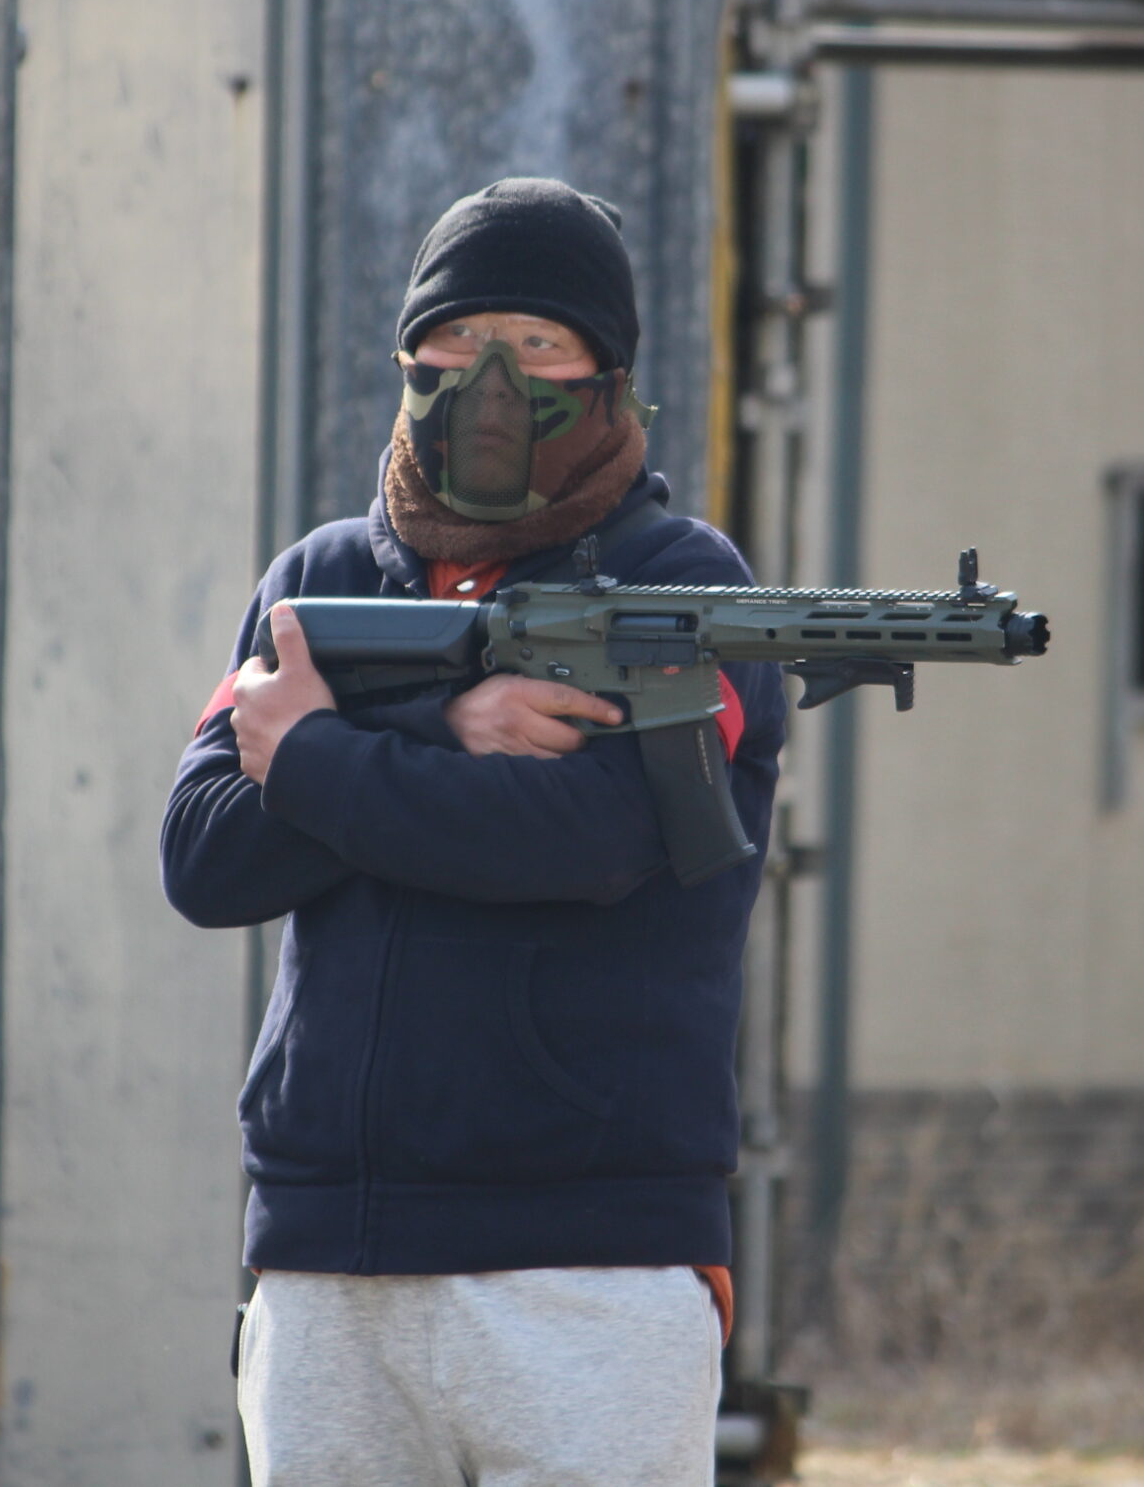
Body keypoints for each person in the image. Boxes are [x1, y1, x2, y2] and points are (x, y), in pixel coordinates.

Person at [162, 177, 786, 1485]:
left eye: (538, 342)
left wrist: (319, 756)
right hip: (329, 1264)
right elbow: (207, 854)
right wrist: (444, 724)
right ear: (408, 358)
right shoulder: (318, 584)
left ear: (608, 375)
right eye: (456, 337)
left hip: (592, 1268)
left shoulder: (683, 587)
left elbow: (590, 839)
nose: (491, 378)